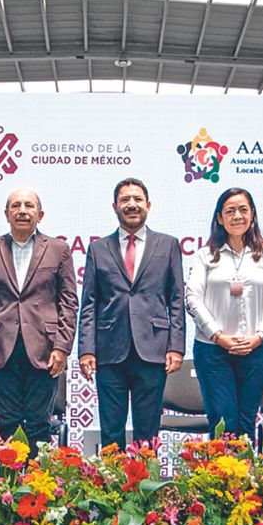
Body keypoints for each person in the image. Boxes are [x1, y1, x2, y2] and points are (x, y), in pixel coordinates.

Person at [78, 177, 185, 447]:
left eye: (137, 199)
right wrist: (86, 350)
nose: (132, 205)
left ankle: (146, 487)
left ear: (148, 205)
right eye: (125, 200)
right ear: (115, 206)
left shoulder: (168, 245)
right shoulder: (97, 248)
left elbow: (176, 299)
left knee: (148, 432)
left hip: (153, 348)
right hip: (109, 350)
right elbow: (89, 302)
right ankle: (113, 488)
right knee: (111, 432)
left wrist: (176, 346)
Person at [0, 187, 78, 451]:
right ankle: (9, 488)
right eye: (16, 206)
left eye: (29, 206)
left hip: (45, 349)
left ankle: (37, 488)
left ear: (40, 214)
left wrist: (63, 347)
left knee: (39, 423)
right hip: (0, 350)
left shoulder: (59, 249)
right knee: (8, 424)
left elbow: (68, 302)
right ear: (6, 214)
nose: (22, 211)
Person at [186, 187, 263, 441]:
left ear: (252, 214)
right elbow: (193, 299)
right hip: (213, 351)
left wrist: (260, 335)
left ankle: (244, 478)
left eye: (243, 209)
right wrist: (218, 336)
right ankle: (220, 479)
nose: (237, 216)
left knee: (245, 421)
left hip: (258, 350)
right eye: (230, 211)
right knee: (222, 420)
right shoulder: (205, 257)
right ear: (220, 218)